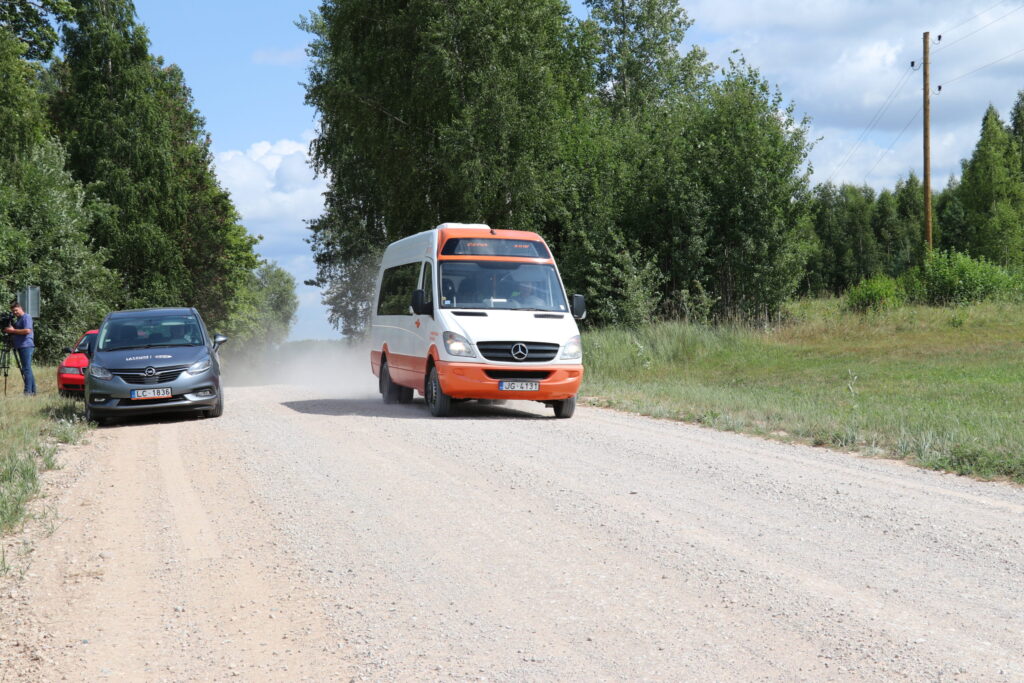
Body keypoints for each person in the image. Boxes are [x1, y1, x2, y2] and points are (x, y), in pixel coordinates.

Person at [4, 301, 36, 396]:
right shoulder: (18, 319)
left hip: (26, 345)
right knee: (27, 369)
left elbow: (27, 330)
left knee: (26, 369)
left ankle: (27, 392)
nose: (15, 313)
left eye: (16, 310)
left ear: (20, 308)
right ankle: (33, 391)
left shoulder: (26, 317)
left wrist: (13, 331)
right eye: (13, 311)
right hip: (20, 346)